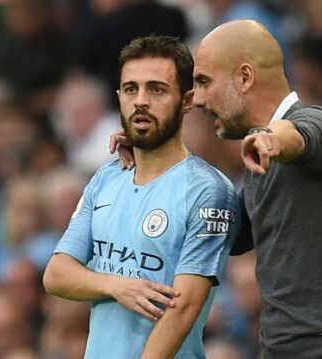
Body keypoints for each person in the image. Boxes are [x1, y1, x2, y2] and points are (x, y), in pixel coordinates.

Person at [111, 20, 322, 358]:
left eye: (204, 82)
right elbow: (224, 230)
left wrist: (272, 139)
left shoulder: (319, 126)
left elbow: (302, 135)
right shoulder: (259, 165)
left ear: (244, 77)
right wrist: (151, 154)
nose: (198, 99)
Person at [43, 36, 240, 359]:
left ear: (187, 100)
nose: (141, 101)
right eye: (131, 89)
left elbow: (184, 307)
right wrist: (116, 285)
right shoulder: (106, 178)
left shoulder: (208, 191)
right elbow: (56, 274)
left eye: (157, 89)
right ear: (119, 97)